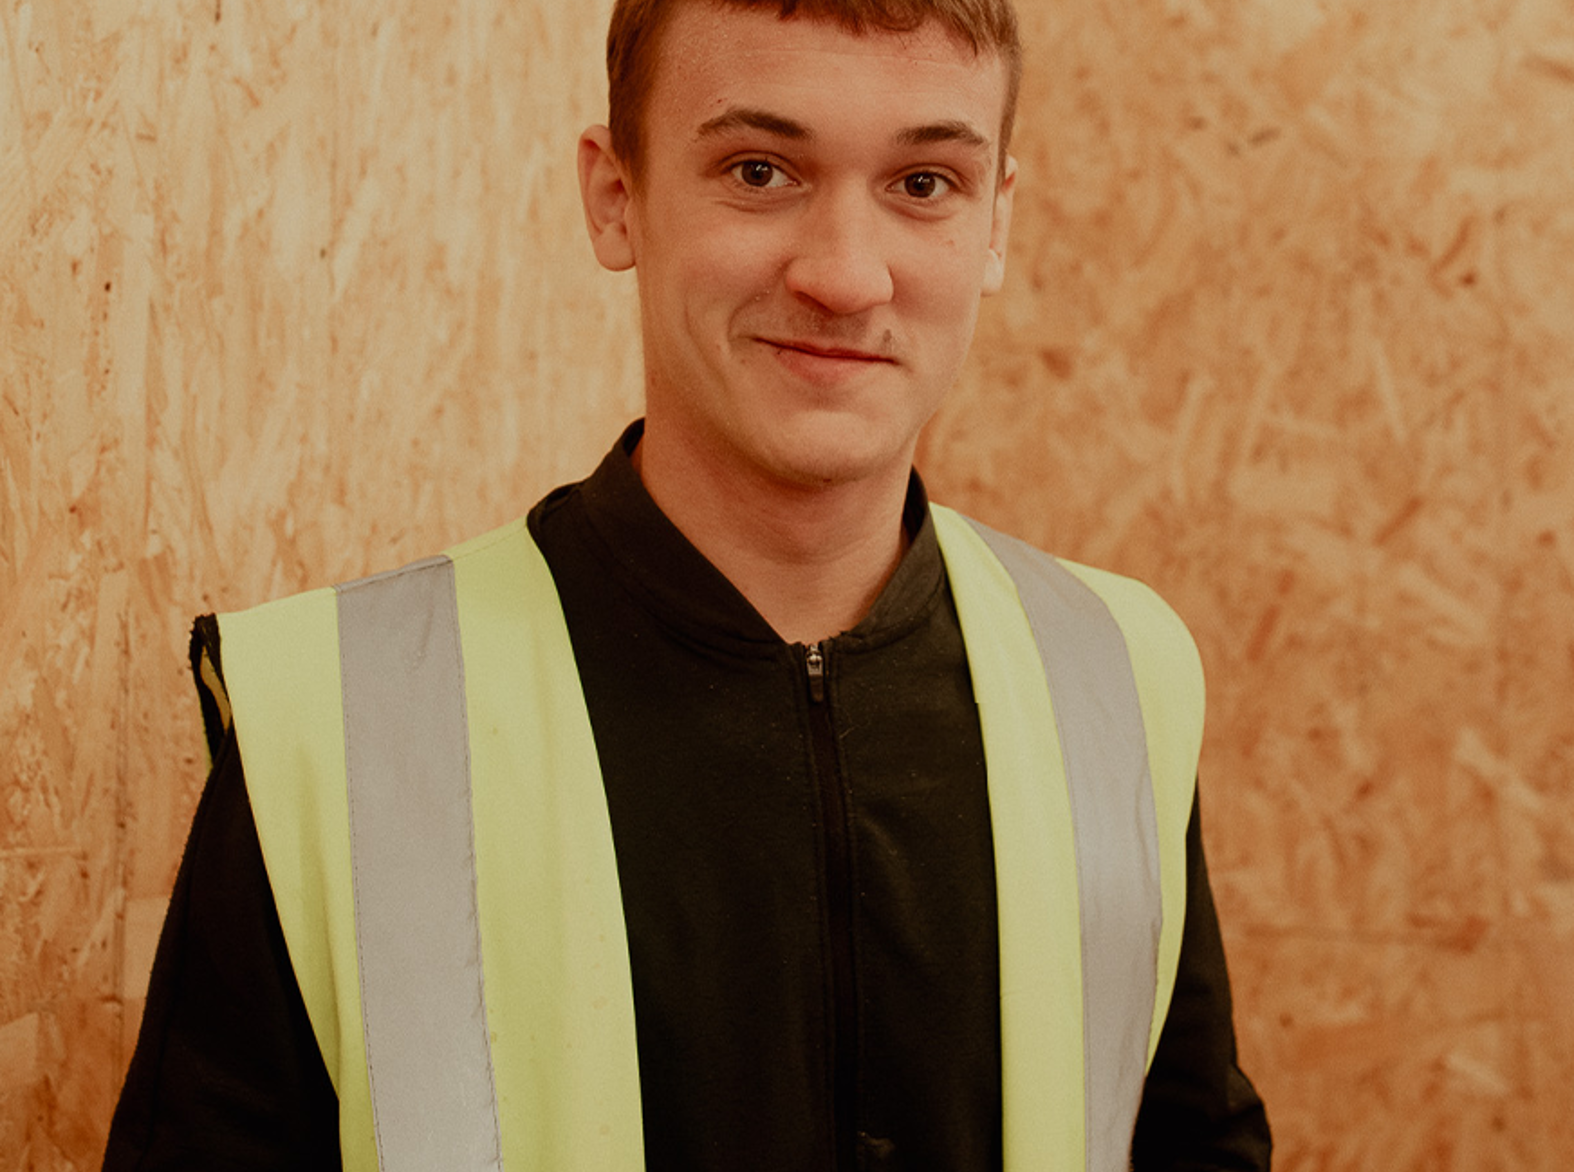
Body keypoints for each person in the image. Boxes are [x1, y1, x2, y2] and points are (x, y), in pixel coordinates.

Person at [104, 0, 1271, 1168]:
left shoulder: (1115, 672)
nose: (845, 275)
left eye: (922, 184)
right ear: (616, 196)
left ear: (996, 221)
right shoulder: (336, 717)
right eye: (759, 170)